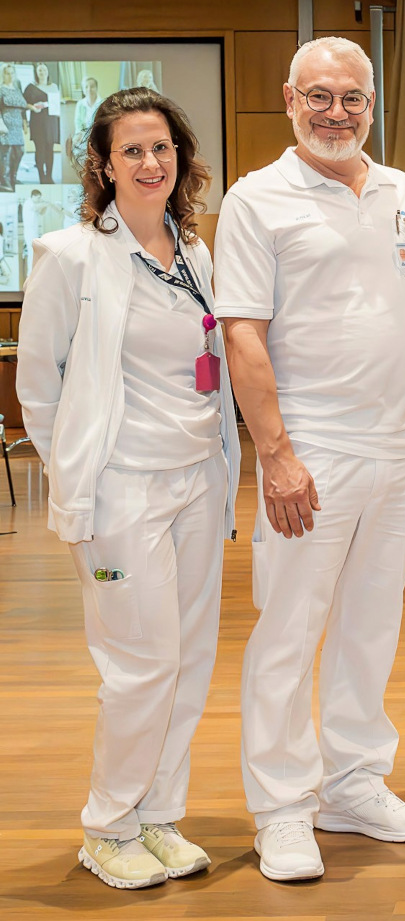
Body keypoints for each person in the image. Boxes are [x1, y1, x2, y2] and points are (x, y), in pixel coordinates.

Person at [213, 37, 405, 882]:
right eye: (318, 97)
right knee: (288, 631)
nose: (335, 113)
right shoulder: (258, 200)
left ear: (372, 102)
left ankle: (353, 782)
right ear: (290, 101)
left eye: (351, 98)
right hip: (309, 447)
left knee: (371, 621)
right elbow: (243, 332)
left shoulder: (402, 191)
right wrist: (276, 454)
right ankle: (283, 808)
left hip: (398, 440)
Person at [16, 87, 240, 890]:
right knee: (140, 664)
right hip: (122, 493)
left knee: (187, 659)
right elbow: (38, 388)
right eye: (133, 151)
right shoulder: (69, 256)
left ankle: (157, 815)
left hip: (195, 483)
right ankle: (107, 825)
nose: (151, 163)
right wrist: (81, 471)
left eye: (163, 148)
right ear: (104, 166)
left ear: (181, 158)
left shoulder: (196, 254)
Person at [24, 62, 61, 183]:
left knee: (50, 149)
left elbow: (57, 105)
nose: (42, 72)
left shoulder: (54, 86)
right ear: (36, 73)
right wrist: (33, 107)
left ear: (48, 72)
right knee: (39, 149)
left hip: (51, 123)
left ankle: (49, 177)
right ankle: (41, 177)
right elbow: (23, 104)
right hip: (37, 122)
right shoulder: (30, 87)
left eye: (44, 70)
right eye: (40, 70)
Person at [0, 64, 33, 192]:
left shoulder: (17, 89)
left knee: (19, 152)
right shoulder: (1, 89)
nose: (10, 76)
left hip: (17, 127)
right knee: (6, 155)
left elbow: (22, 107)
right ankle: (5, 181)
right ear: (3, 74)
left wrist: (25, 122)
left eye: (12, 73)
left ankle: (14, 177)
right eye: (7, 73)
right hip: (5, 127)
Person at [74, 76, 102, 155]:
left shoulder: (103, 103)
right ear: (83, 90)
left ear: (96, 88)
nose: (89, 89)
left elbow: (103, 123)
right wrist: (79, 133)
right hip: (84, 133)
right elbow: (78, 122)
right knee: (78, 153)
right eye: (86, 87)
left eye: (92, 86)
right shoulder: (80, 104)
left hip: (97, 134)